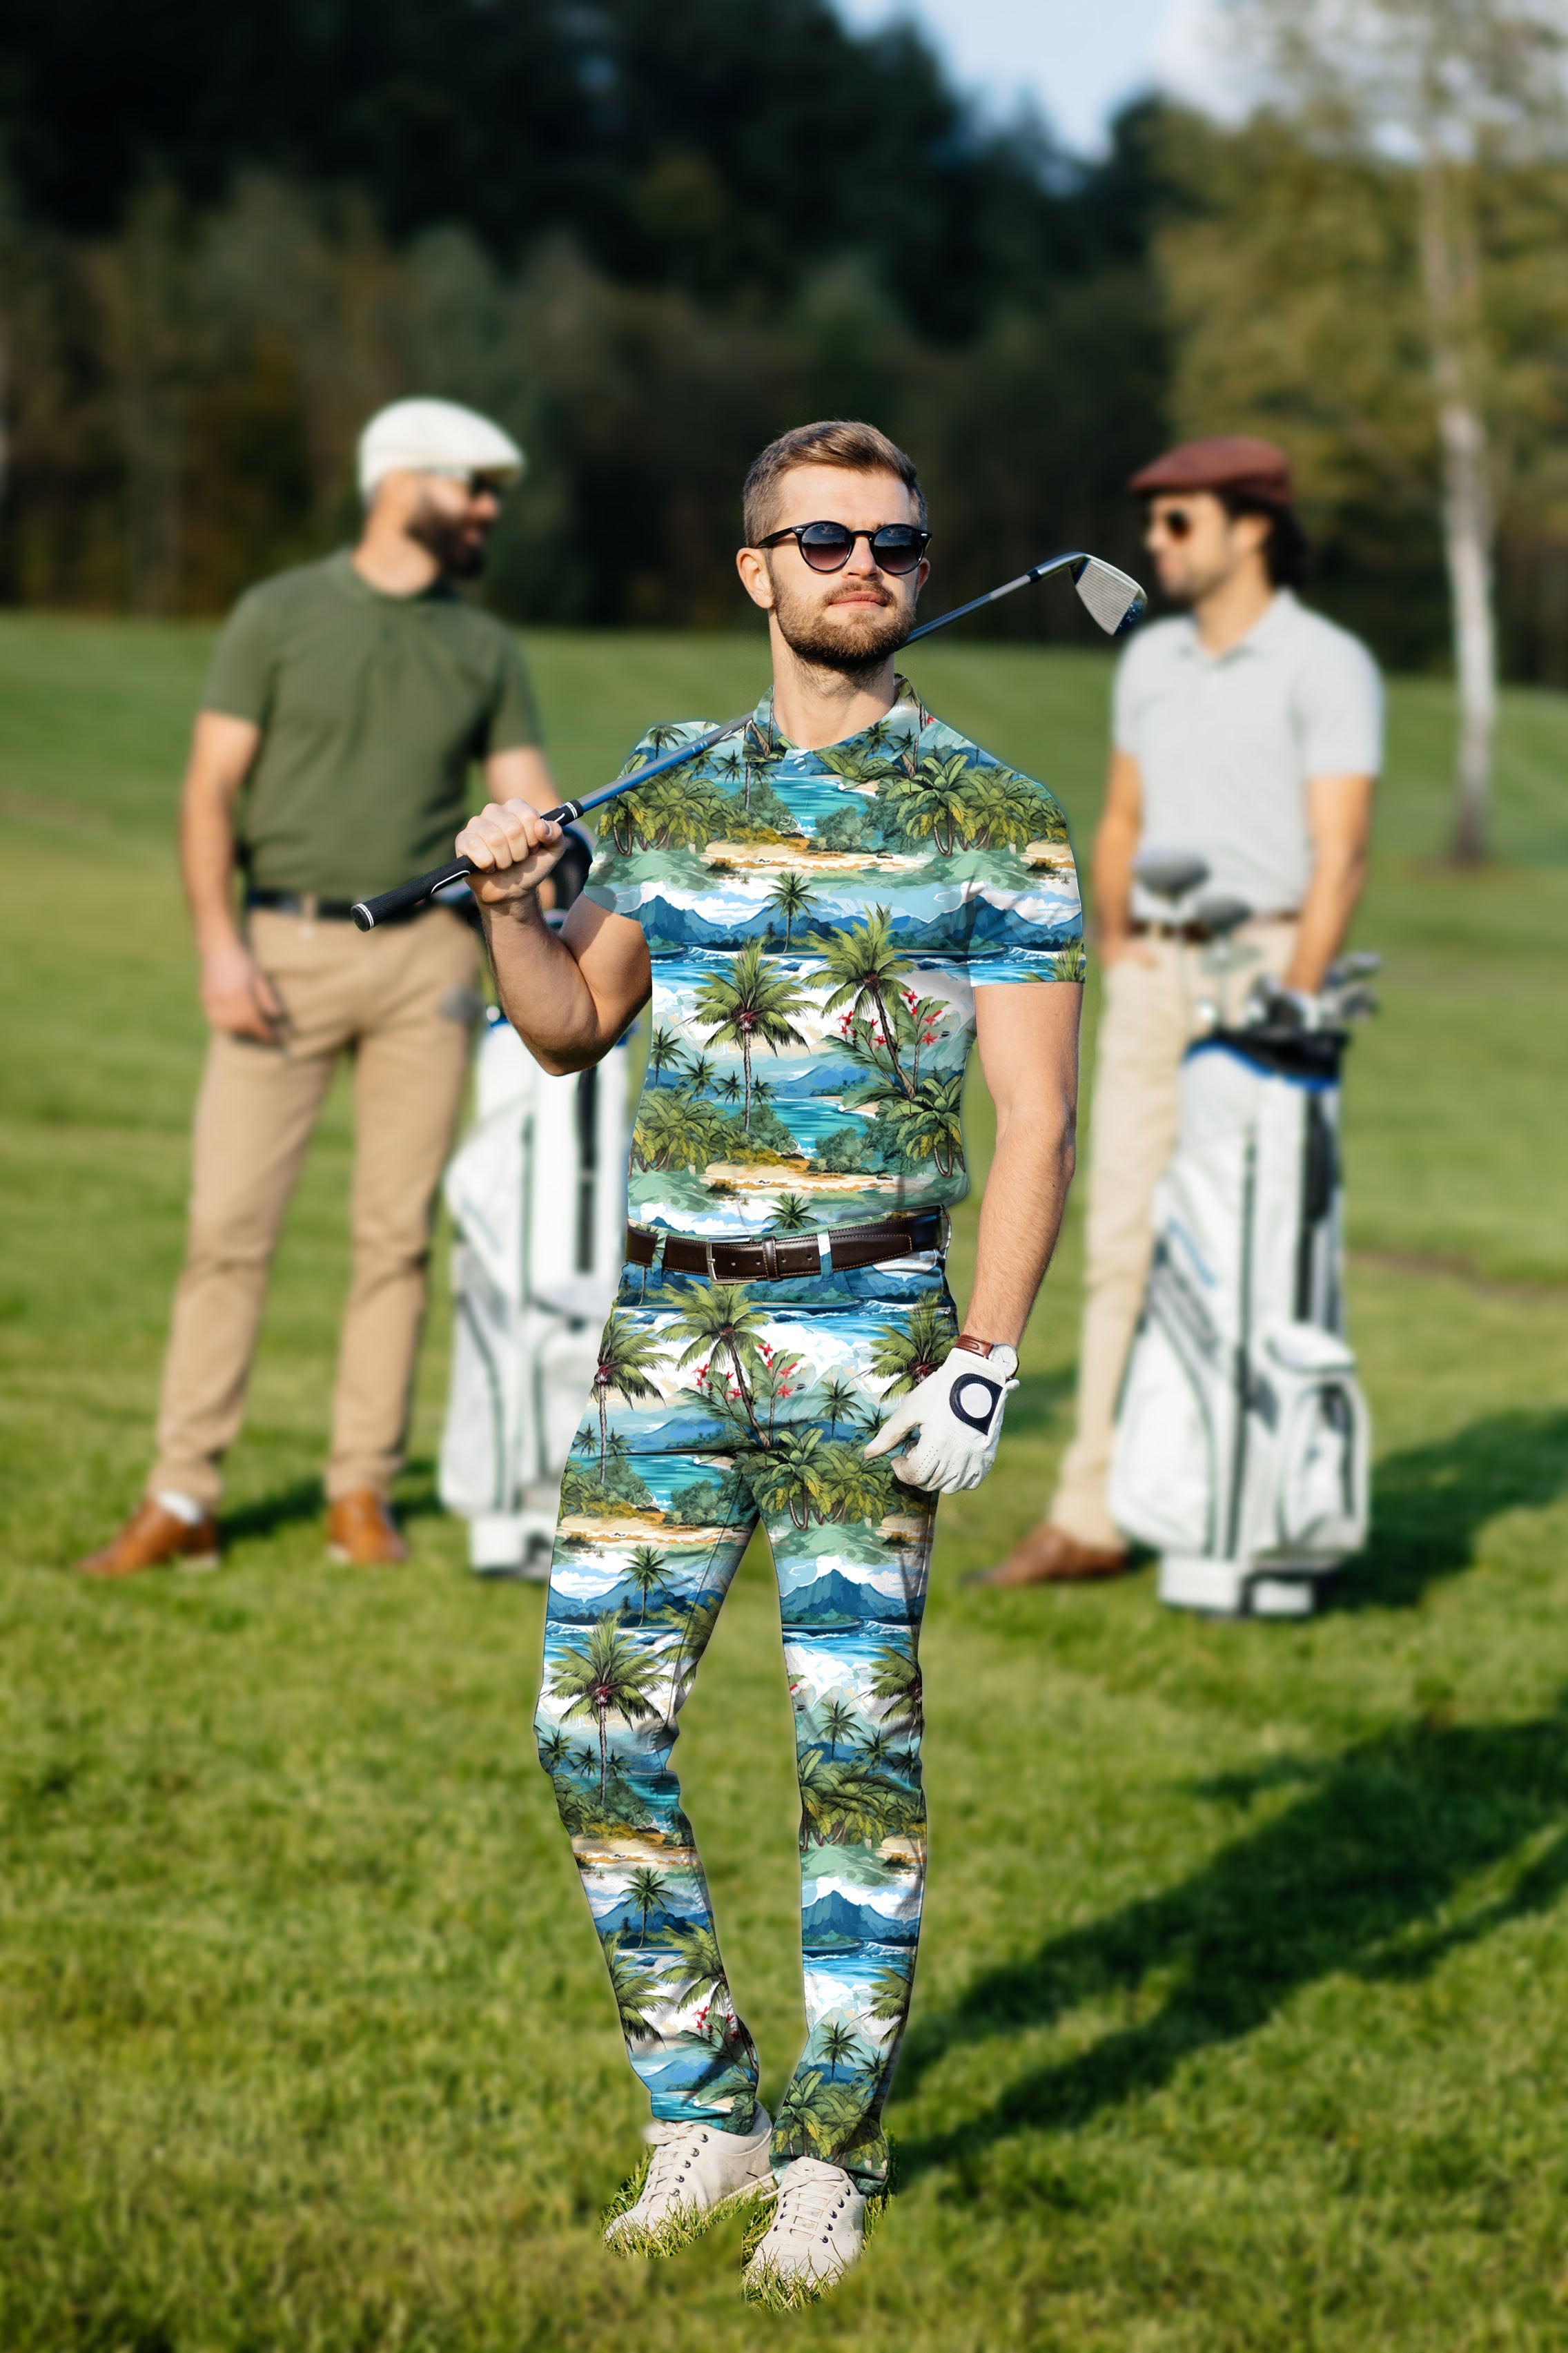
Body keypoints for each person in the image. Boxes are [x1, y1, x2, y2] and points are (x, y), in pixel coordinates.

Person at [453, 420, 1084, 2301]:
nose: (863, 565)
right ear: (760, 575)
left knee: (853, 1757)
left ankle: (830, 2160)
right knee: (590, 1722)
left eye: (894, 539)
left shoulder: (997, 811)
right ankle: (702, 2108)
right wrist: (508, 897)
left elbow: (1039, 1118)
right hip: (668, 1329)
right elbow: (569, 1025)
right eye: (823, 539)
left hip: (871, 1327)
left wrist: (986, 1353)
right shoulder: (666, 788)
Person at [78, 398, 557, 1576]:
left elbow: (533, 801)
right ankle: (183, 1494)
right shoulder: (277, 615)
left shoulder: (484, 645)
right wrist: (217, 947)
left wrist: (552, 888)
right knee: (226, 1230)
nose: (490, 508)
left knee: (394, 1237)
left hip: (430, 967)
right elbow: (209, 792)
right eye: (473, 485)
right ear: (400, 483)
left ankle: (360, 1496)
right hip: (278, 950)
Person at [981, 434, 1382, 1589]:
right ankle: (1094, 1512)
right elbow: (1120, 821)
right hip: (1154, 973)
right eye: (1150, 523)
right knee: (1118, 1245)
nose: (1155, 544)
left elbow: (1343, 854)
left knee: (1251, 1251)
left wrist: (1294, 1003)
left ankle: (1248, 1509)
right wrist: (1119, 943)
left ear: (1253, 526)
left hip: (1266, 970)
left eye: (1178, 522)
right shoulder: (1150, 661)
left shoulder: (1326, 663)